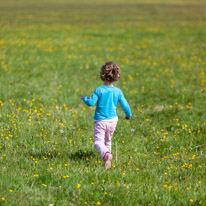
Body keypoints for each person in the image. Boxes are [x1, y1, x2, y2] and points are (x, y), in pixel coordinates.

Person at [81, 62, 132, 170]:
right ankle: (106, 162)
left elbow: (91, 103)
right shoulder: (118, 91)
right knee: (107, 141)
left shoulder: (99, 90)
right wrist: (128, 115)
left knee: (98, 142)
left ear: (102, 75)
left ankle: (106, 155)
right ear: (116, 77)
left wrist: (85, 98)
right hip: (113, 121)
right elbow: (125, 105)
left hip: (101, 121)